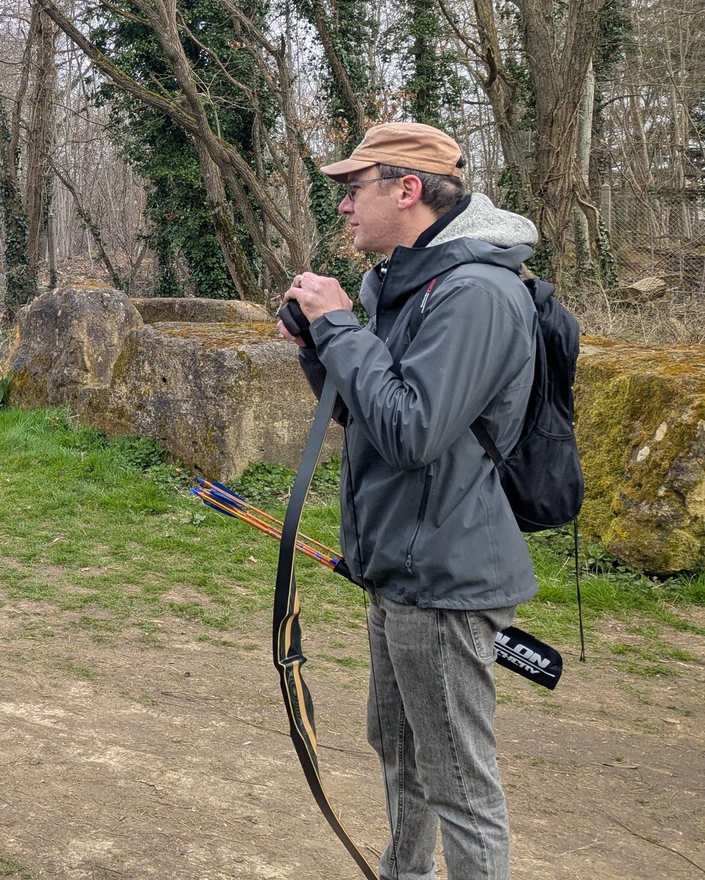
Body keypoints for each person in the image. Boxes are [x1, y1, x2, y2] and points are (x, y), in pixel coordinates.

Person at [279, 122, 538, 880]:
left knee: (459, 783)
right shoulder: (408, 284)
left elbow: (411, 431)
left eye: (353, 188)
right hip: (398, 566)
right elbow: (368, 412)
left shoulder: (477, 293)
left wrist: (338, 327)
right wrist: (318, 346)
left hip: (446, 577)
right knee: (398, 750)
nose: (343, 206)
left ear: (407, 189)